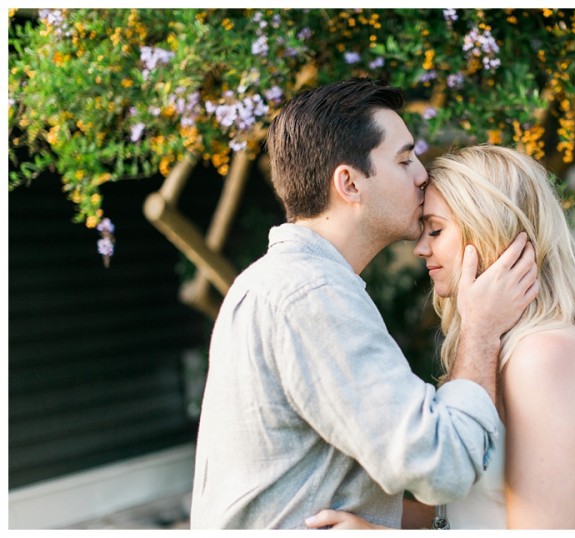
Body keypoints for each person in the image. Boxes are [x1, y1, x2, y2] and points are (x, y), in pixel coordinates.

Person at [189, 80, 539, 529]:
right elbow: (439, 466)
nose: (421, 174)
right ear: (349, 183)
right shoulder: (313, 295)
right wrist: (481, 330)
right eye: (404, 159)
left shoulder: (272, 283)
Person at [306, 144, 575, 530]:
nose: (421, 248)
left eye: (436, 230)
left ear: (490, 231)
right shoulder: (500, 349)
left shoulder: (547, 355)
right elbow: (468, 516)